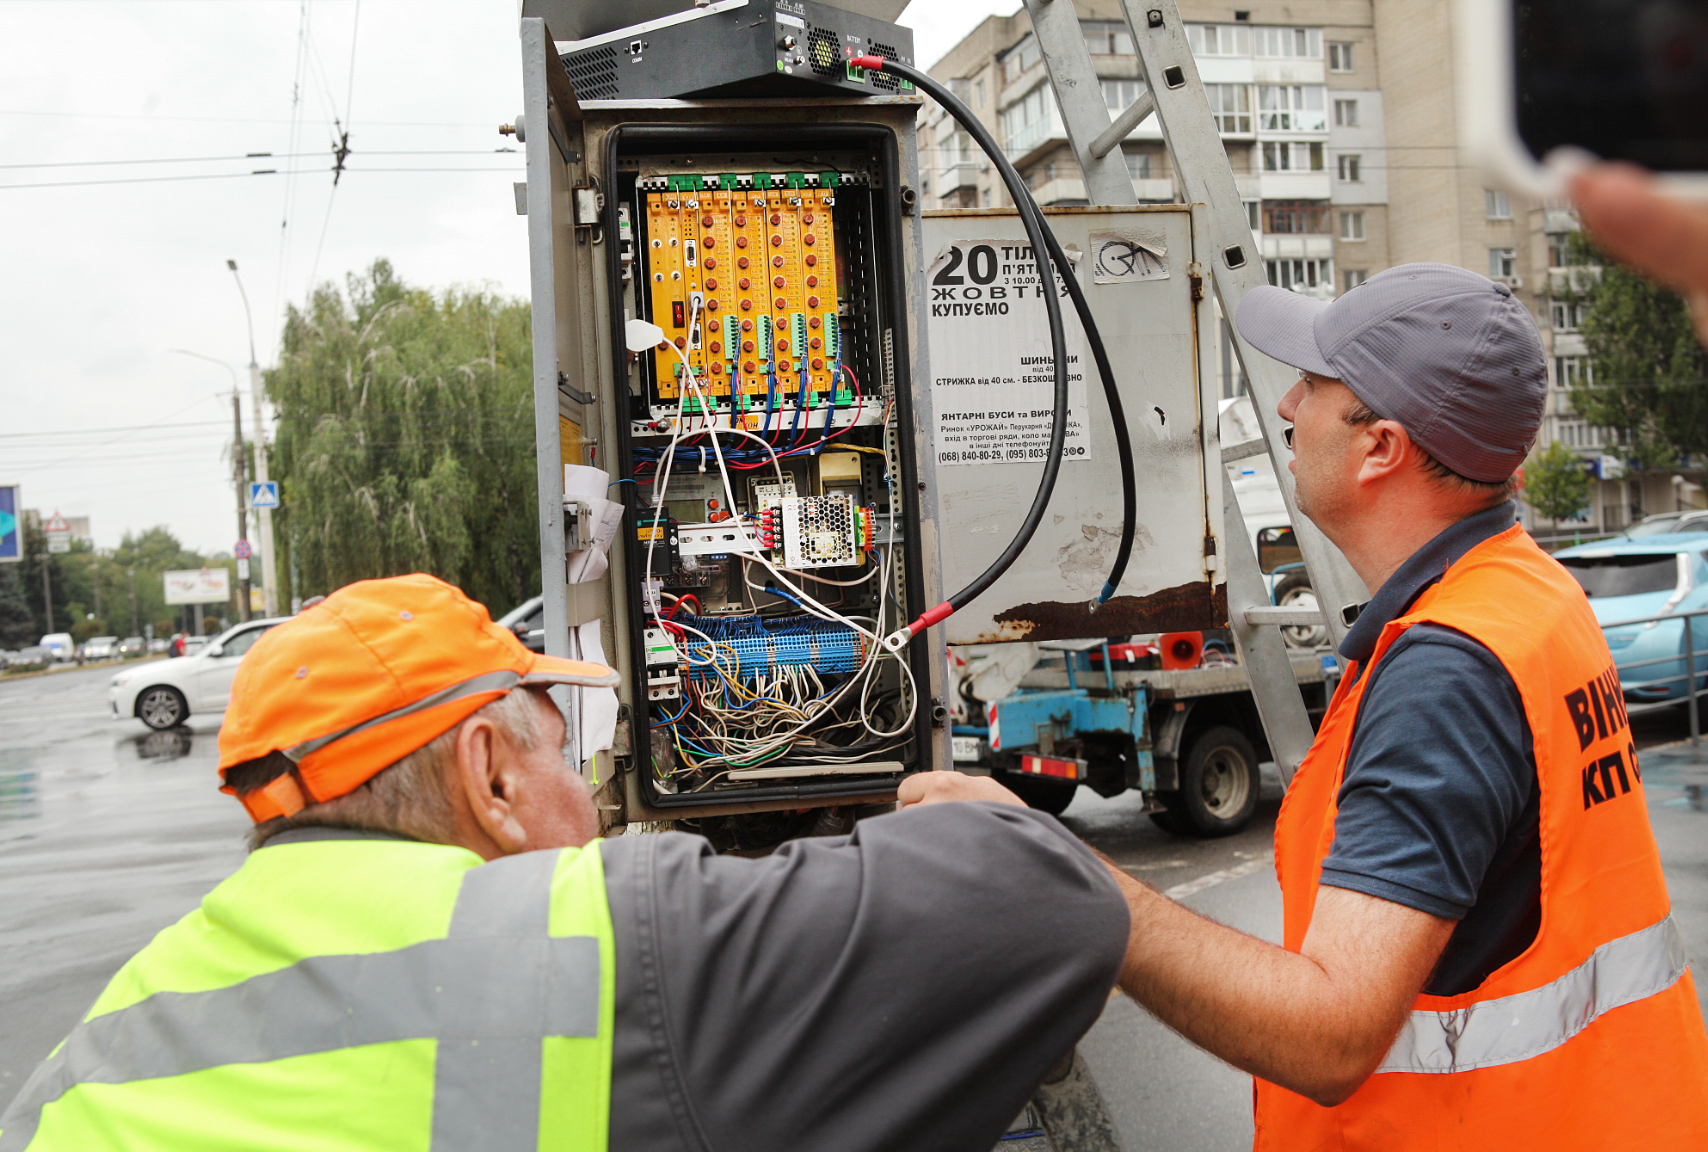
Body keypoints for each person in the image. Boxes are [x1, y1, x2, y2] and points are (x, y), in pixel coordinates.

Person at [912, 263, 1708, 1149]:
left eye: (1317, 385)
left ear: (1381, 448)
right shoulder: (1528, 593)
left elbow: (1331, 1035)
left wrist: (1055, 872)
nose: (1287, 404)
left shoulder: (1447, 671)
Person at [0, 574, 1127, 1152]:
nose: (587, 789)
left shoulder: (82, 1067)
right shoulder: (596, 937)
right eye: (561, 747)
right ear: (488, 776)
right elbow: (1042, 905)